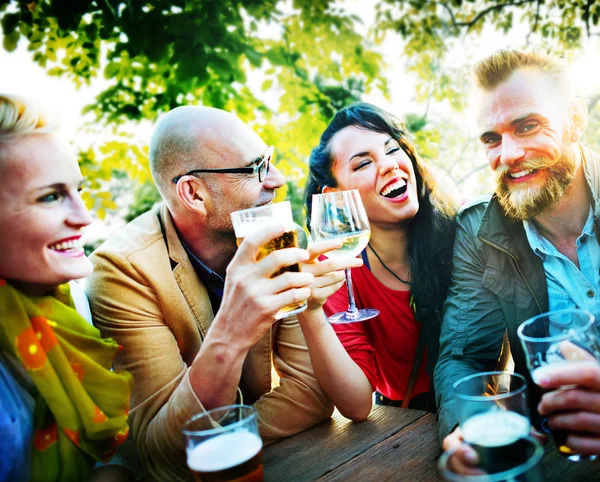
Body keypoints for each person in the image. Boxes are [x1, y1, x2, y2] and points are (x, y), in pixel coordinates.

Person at [85, 106, 335, 481]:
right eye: (255, 169)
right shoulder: (123, 271)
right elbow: (164, 454)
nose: (278, 179)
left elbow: (313, 396)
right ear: (194, 193)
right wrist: (231, 335)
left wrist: (217, 440)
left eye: (269, 161)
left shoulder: (274, 235)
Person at [435, 49, 600, 460]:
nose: (507, 155)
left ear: (575, 122)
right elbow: (464, 356)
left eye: (527, 126)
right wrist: (470, 423)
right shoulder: (478, 231)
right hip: (554, 452)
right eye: (491, 138)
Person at [0, 94, 132, 481]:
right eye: (51, 196)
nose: (84, 217)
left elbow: (111, 446)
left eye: (78, 190)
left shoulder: (68, 295)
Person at [299, 102, 458, 421]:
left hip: (479, 400)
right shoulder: (337, 273)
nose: (389, 165)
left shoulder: (463, 227)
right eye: (362, 164)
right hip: (404, 422)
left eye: (392, 149)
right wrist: (309, 309)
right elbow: (357, 405)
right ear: (335, 195)